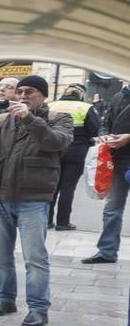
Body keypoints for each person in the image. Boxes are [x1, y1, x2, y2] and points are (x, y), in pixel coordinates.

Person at [0, 75, 73, 326]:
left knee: (35, 258)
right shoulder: (4, 119)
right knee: (1, 257)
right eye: (21, 91)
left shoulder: (59, 118)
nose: (23, 96)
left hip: (33, 197)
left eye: (31, 92)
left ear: (43, 96)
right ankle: (5, 299)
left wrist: (29, 118)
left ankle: (38, 308)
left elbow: (55, 143)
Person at [83, 81, 130, 264]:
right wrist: (104, 135)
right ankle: (107, 251)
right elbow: (105, 122)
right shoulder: (118, 96)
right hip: (118, 161)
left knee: (112, 209)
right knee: (112, 209)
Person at [48, 84, 99, 230]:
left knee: (52, 187)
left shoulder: (51, 105)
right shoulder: (85, 107)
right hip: (76, 151)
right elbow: (94, 130)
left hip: (53, 150)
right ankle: (63, 223)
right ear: (81, 95)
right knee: (67, 188)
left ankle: (46, 220)